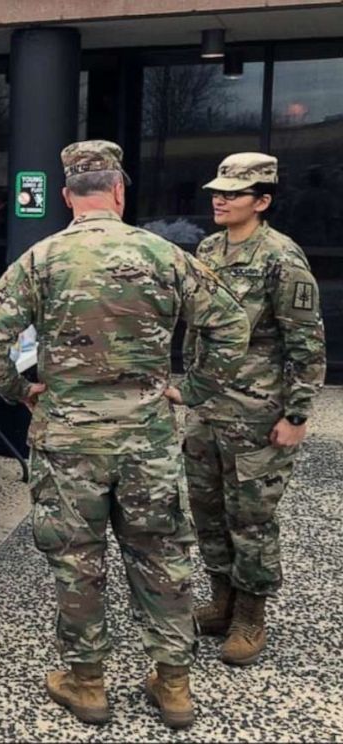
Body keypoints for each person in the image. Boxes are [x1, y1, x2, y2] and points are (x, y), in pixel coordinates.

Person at [0, 140, 250, 730]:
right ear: (120, 191)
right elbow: (230, 325)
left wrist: (21, 393)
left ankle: (87, 683)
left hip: (70, 442)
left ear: (69, 196)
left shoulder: (42, 259)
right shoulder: (165, 255)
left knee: (78, 560)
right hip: (147, 438)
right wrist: (192, 390)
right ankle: (173, 686)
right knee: (161, 558)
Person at [173, 153, 326, 666]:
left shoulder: (282, 258)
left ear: (261, 201)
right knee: (207, 510)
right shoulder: (209, 248)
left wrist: (297, 415)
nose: (220, 200)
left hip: (258, 412)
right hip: (207, 408)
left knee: (252, 518)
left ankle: (250, 616)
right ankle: (221, 600)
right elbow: (198, 327)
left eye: (233, 194)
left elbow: (306, 343)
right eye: (217, 191)